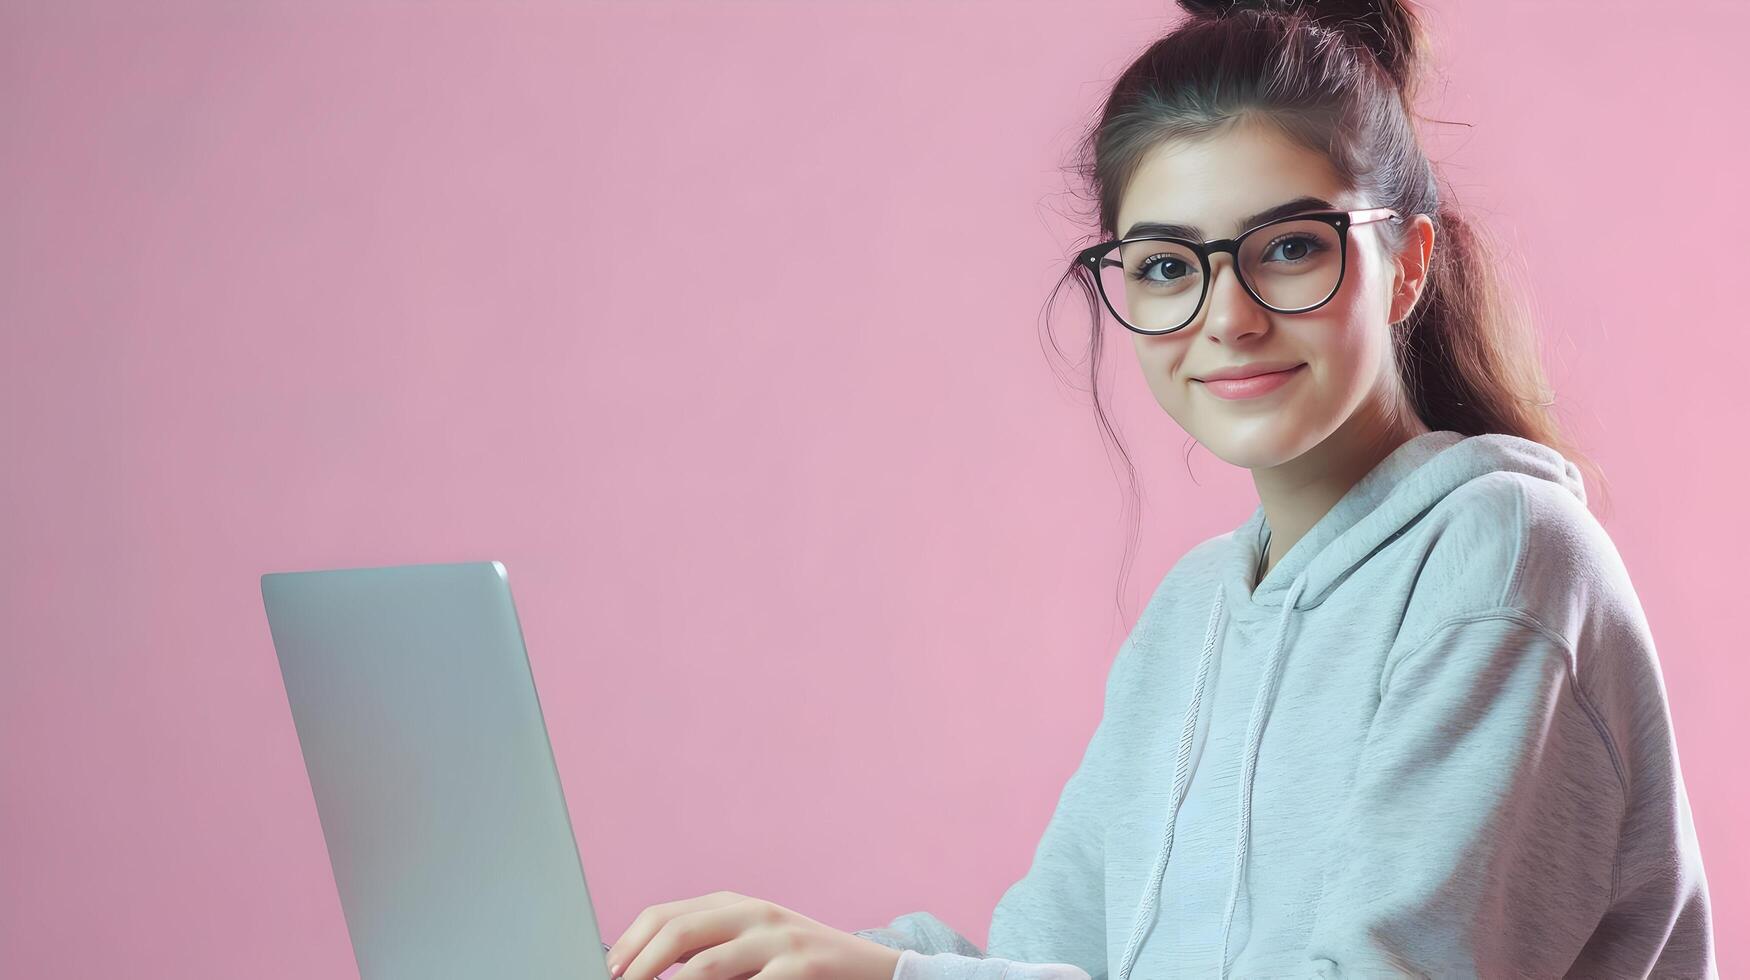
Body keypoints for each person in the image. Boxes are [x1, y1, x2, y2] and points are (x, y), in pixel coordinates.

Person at [601, 0, 1717, 977]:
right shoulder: (1193, 613)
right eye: (1169, 265)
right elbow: (1061, 954)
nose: (1225, 316)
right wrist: (796, 955)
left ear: (1407, 264)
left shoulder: (1504, 557)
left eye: (1287, 246)